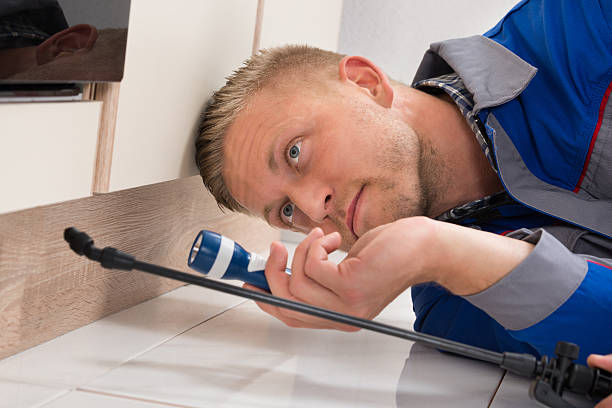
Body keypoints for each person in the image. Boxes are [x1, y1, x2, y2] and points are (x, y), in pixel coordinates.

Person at [195, 0, 612, 370]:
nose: (314, 209)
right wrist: (440, 251)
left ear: (365, 83)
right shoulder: (448, 307)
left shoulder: (582, 19)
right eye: (286, 211)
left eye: (295, 152)